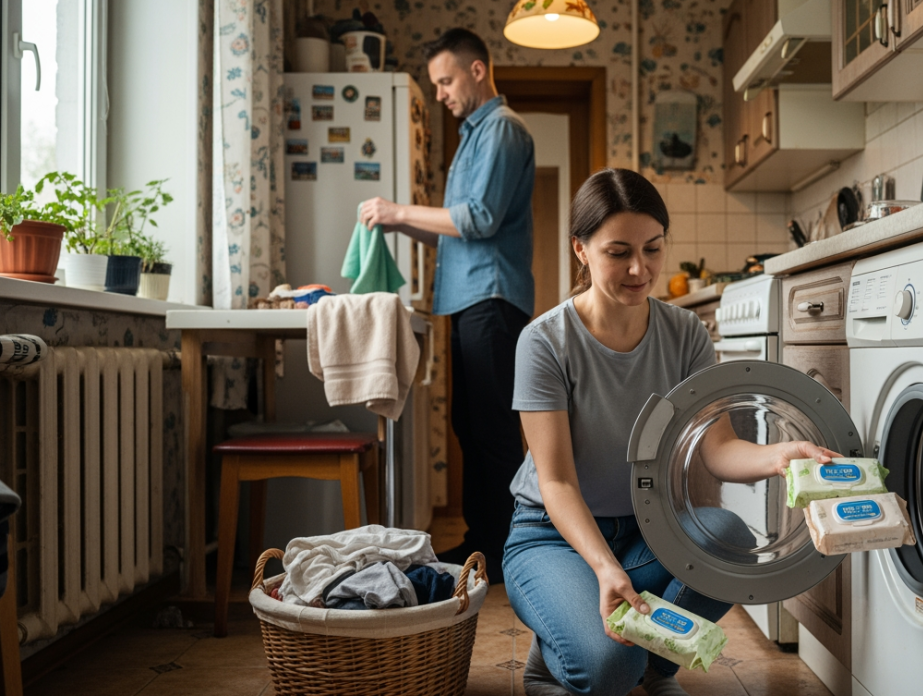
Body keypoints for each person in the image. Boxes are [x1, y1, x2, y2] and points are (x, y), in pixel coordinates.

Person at [504, 168, 840, 696]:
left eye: (653, 248)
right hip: (552, 536)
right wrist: (604, 569)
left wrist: (780, 455)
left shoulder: (684, 333)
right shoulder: (545, 341)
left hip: (646, 531)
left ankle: (654, 669)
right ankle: (558, 656)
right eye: (618, 252)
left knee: (729, 537)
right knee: (607, 669)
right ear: (580, 249)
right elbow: (558, 483)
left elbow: (719, 448)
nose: (640, 269)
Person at [359, 29, 534, 582]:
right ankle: (484, 541)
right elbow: (458, 230)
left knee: (493, 431)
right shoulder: (475, 135)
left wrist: (399, 209)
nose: (439, 94)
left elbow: (478, 218)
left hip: (492, 298)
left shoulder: (502, 130)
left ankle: (508, 552)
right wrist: (399, 223)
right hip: (470, 299)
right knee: (470, 426)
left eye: (445, 81)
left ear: (477, 70)